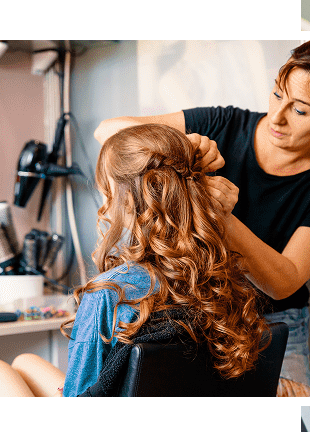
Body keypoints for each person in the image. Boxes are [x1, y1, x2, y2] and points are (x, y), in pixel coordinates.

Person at [94, 40, 310, 396]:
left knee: (299, 424)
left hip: (274, 325)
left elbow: (283, 281)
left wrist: (225, 221)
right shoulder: (225, 122)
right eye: (278, 96)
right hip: (198, 316)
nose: (277, 117)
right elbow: (107, 132)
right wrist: (186, 143)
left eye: (301, 111)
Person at [0, 124, 269, 397]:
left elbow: (78, 399)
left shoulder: (108, 292)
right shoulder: (218, 278)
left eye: (106, 190)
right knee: (25, 362)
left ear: (126, 201)